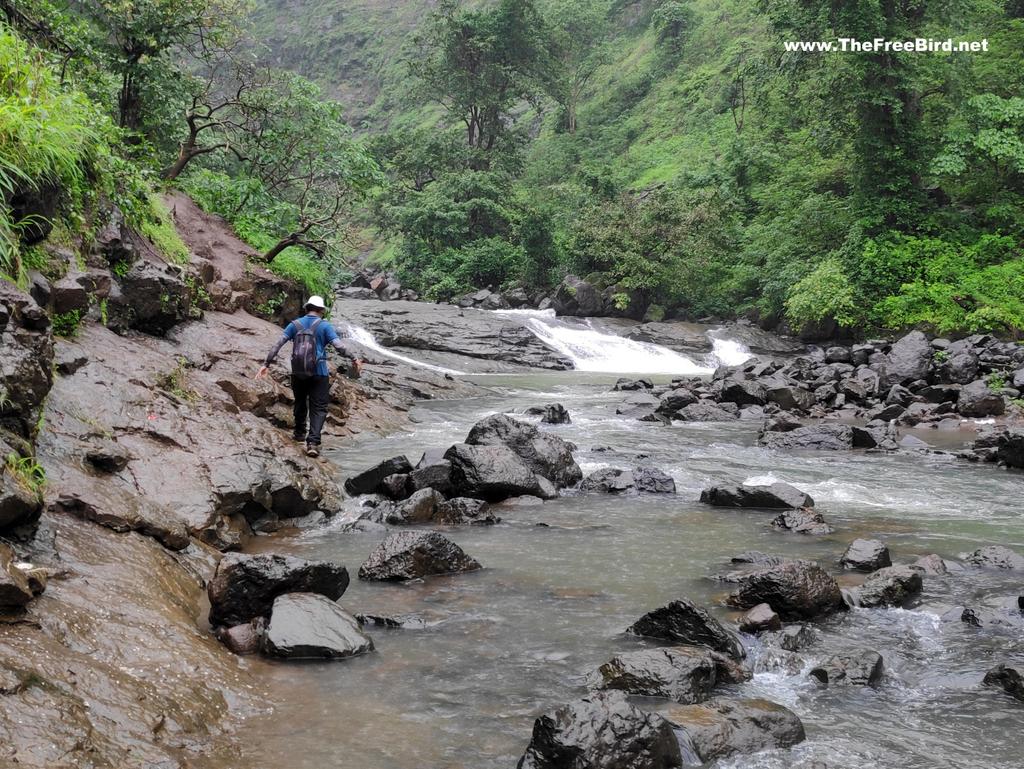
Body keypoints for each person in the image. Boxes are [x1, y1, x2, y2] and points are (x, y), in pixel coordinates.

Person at [255, 295, 362, 457]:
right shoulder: (325, 326)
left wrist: (266, 364)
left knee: (300, 403)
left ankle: (299, 434)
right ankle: (312, 443)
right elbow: (339, 346)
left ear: (306, 308)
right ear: (321, 310)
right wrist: (354, 358)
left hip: (298, 372)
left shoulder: (295, 325)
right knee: (318, 408)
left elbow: (278, 344)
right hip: (319, 372)